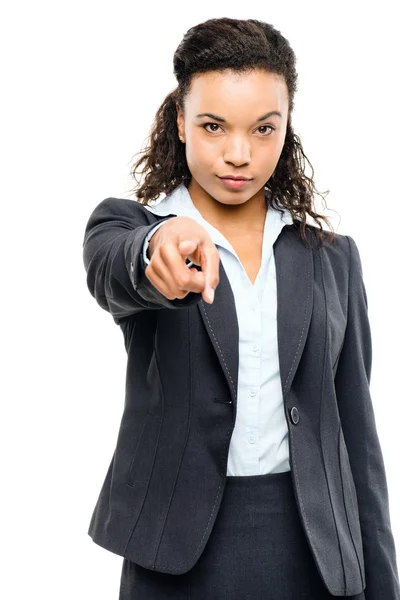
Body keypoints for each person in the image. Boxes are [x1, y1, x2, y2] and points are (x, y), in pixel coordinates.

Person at [82, 17, 400, 599]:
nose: (238, 154)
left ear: (285, 130)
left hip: (312, 547)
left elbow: (356, 431)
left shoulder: (331, 259)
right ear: (180, 121)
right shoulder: (133, 230)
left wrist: (382, 580)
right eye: (213, 126)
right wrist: (156, 249)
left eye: (263, 129)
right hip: (176, 550)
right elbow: (113, 268)